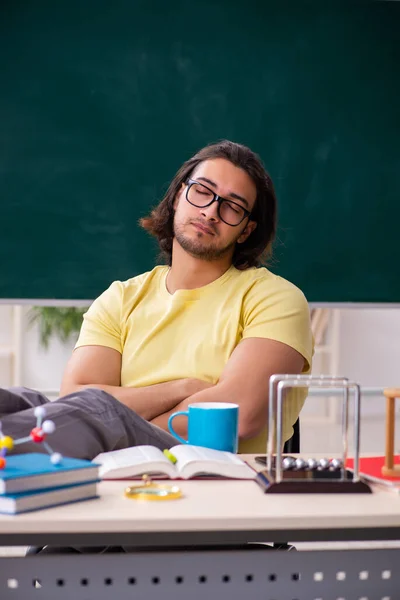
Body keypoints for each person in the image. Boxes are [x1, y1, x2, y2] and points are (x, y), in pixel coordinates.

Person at [0, 140, 313, 460]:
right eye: (202, 191)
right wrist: (181, 388)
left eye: (232, 206)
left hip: (208, 472)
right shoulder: (121, 298)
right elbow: (75, 395)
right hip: (114, 476)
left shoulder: (275, 299)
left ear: (246, 231)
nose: (210, 211)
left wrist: (117, 419)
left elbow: (239, 415)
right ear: (179, 195)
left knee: (83, 412)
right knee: (20, 402)